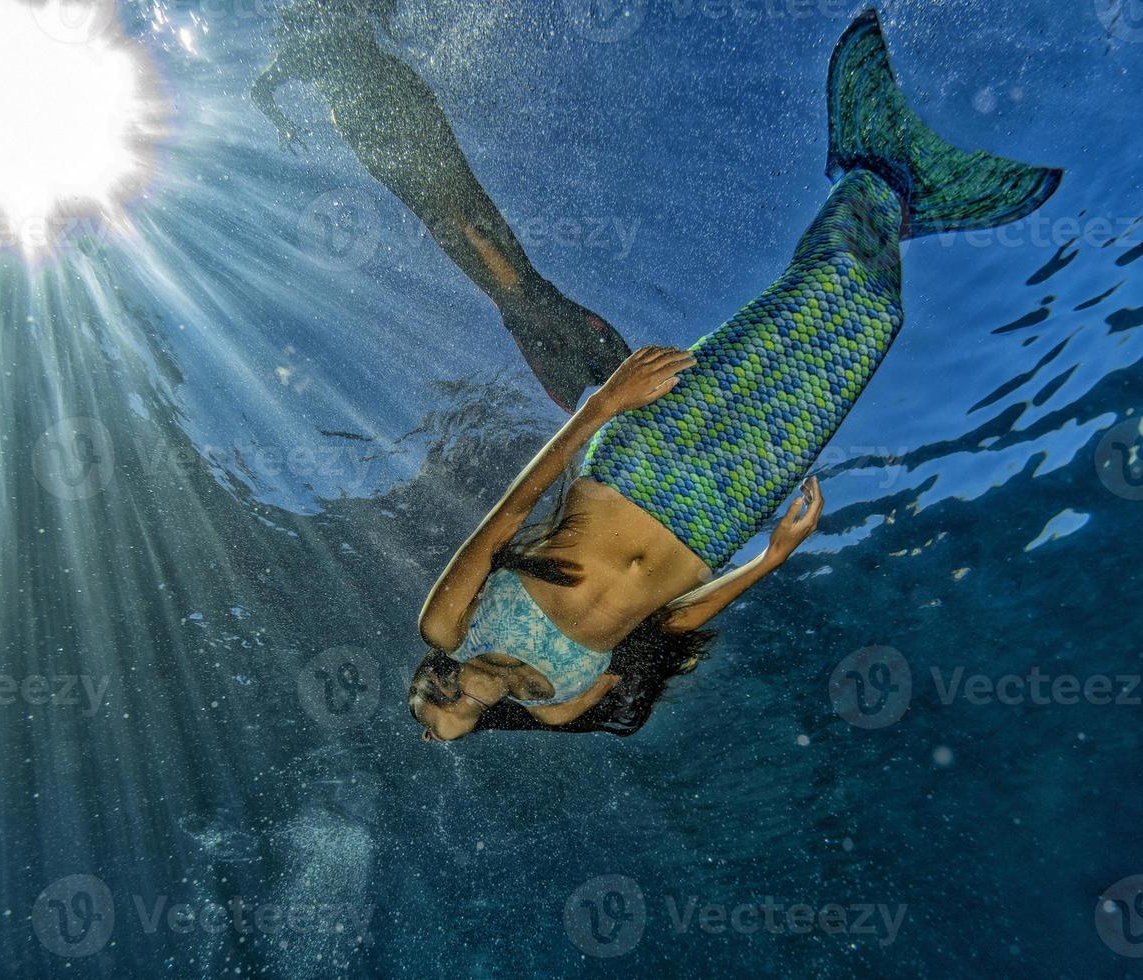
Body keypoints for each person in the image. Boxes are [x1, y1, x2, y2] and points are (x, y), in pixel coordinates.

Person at [408, 10, 1062, 741]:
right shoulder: (561, 702)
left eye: (441, 695)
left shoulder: (446, 624)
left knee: (803, 302)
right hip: (723, 514)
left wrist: (603, 405)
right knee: (870, 323)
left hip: (636, 464)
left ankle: (868, 164)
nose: (460, 695)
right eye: (462, 714)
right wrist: (771, 559)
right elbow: (671, 623)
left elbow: (510, 509)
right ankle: (899, 195)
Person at [251, 0, 631, 411]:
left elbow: (261, 90)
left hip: (387, 108)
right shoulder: (315, 34)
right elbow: (261, 89)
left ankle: (524, 300)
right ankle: (524, 301)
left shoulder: (320, 31)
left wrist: (282, 122)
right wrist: (281, 122)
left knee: (456, 202)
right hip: (381, 112)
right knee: (452, 205)